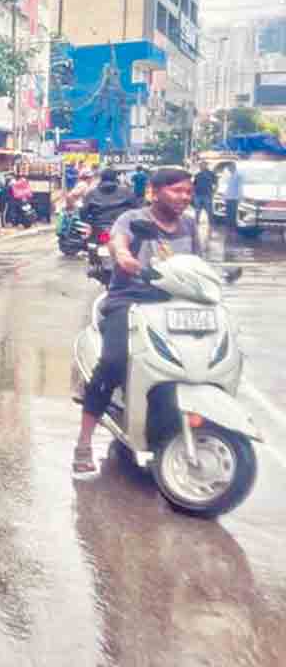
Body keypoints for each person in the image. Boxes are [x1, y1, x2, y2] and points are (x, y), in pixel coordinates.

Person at [73, 168, 200, 478]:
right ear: (154, 192)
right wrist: (124, 256)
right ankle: (84, 444)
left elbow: (198, 264)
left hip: (174, 304)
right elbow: (118, 242)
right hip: (129, 301)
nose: (184, 197)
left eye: (187, 191)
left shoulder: (189, 225)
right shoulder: (131, 219)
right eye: (176, 191)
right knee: (114, 362)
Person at [80, 168, 138, 235]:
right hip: (120, 231)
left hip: (98, 230)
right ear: (115, 178)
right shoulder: (126, 192)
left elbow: (83, 212)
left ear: (101, 178)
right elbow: (136, 209)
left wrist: (89, 224)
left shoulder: (91, 193)